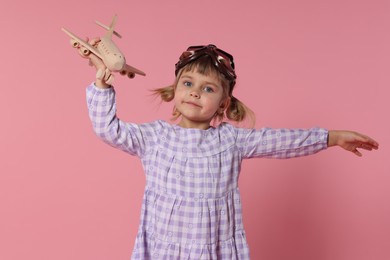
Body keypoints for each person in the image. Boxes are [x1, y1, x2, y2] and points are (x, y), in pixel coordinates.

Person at [82, 42, 378, 259]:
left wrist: (332, 137)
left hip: (214, 248)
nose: (196, 92)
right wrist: (101, 85)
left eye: (208, 88)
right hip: (163, 249)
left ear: (223, 104)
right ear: (175, 92)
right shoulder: (154, 137)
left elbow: (280, 141)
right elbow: (109, 130)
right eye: (188, 83)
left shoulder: (230, 141)